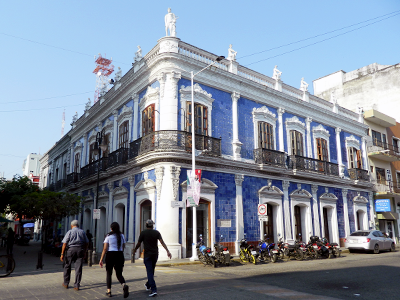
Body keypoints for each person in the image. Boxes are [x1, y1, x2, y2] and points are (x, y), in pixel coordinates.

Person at [133, 219, 172, 297]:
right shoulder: (156, 233)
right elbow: (162, 242)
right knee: (151, 270)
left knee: (150, 272)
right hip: (155, 255)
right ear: (152, 225)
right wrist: (167, 251)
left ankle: (153, 289)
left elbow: (138, 243)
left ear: (146, 225)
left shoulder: (143, 233)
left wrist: (134, 250)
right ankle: (148, 285)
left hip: (147, 255)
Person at [99, 222, 129, 298]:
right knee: (119, 274)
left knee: (109, 273)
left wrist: (101, 259)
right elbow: (123, 246)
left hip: (110, 255)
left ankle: (109, 291)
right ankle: (124, 285)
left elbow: (105, 248)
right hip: (119, 255)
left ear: (111, 228)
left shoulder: (108, 236)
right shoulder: (122, 235)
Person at [60, 220, 88, 291]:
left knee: (67, 266)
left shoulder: (69, 232)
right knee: (78, 268)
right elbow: (86, 242)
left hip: (71, 250)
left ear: (71, 225)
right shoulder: (82, 232)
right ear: (78, 225)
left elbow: (64, 243)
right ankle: (76, 285)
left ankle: (66, 283)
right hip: (80, 249)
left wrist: (62, 253)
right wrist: (84, 251)